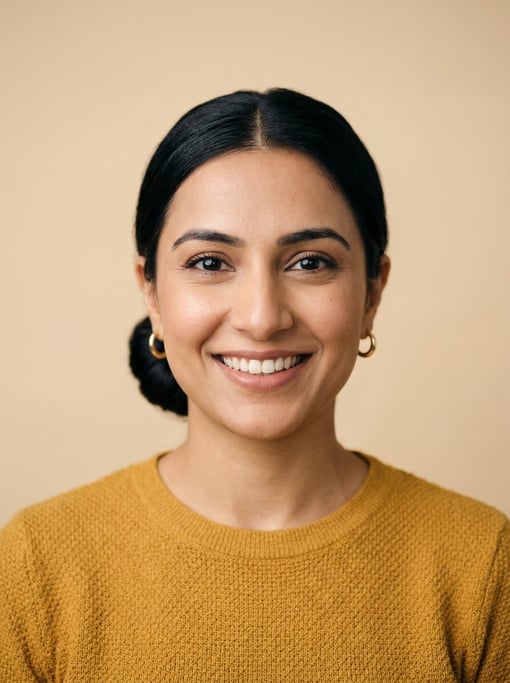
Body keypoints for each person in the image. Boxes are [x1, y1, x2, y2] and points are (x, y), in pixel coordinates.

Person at [1, 88, 508, 682]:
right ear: (151, 292)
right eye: (211, 263)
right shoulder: (34, 567)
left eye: (310, 262)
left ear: (372, 293)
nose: (263, 317)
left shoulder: (484, 566)